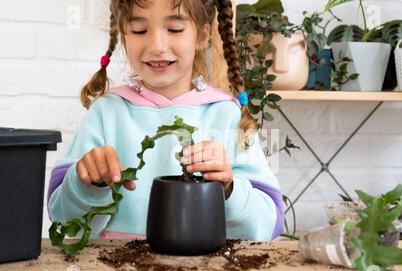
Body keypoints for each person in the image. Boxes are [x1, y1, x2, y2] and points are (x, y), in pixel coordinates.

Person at [47, 0, 284, 241]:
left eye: (174, 29)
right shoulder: (106, 113)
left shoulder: (227, 115)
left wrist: (229, 190)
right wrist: (89, 185)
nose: (157, 46)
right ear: (124, 35)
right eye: (139, 31)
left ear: (202, 36)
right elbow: (65, 221)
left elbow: (267, 225)